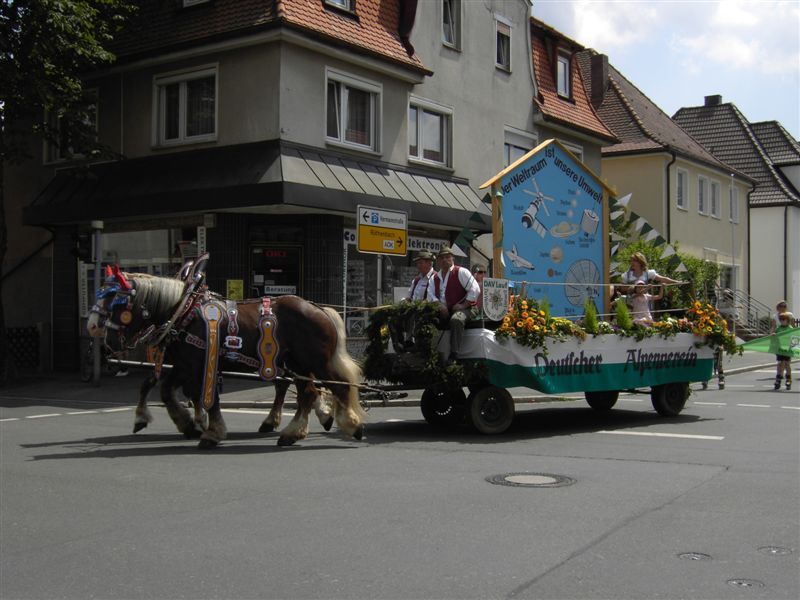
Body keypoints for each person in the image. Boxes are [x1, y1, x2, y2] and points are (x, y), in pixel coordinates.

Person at [391, 250, 441, 352]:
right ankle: (401, 346)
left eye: (420, 263)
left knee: (415, 314)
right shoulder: (417, 280)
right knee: (393, 319)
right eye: (417, 263)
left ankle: (412, 342)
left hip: (428, 311)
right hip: (413, 310)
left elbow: (437, 298)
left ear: (429, 263)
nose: (418, 265)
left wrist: (424, 303)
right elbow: (409, 297)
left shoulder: (436, 278)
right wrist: (404, 302)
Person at [437, 245, 481, 362]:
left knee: (456, 319)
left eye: (447, 257)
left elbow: (475, 289)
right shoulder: (435, 277)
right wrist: (440, 305)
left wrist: (464, 305)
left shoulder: (461, 271)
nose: (445, 260)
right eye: (442, 258)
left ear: (452, 259)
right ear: (438, 261)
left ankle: (454, 353)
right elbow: (431, 295)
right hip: (446, 309)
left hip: (468, 308)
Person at [618, 252, 683, 294]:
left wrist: (677, 282)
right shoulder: (627, 275)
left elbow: (663, 279)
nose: (632, 263)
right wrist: (636, 288)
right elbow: (622, 288)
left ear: (640, 262)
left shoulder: (647, 273)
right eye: (631, 261)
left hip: (644, 302)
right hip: (631, 303)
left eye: (634, 261)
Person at [774, 311, 793, 390]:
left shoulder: (790, 328)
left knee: (787, 364)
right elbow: (774, 336)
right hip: (780, 350)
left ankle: (788, 379)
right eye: (780, 319)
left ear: (787, 320)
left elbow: (794, 338)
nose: (782, 321)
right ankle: (778, 379)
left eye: (783, 319)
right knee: (780, 364)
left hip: (787, 350)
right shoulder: (778, 328)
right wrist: (773, 335)